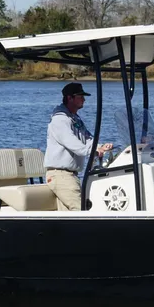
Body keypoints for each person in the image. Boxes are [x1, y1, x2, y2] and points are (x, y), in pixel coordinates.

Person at [44, 82, 113, 211]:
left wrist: (100, 147)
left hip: (70, 176)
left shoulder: (74, 118)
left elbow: (87, 138)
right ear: (69, 98)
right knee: (81, 212)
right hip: (61, 175)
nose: (84, 99)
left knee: (68, 219)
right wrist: (93, 151)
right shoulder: (60, 120)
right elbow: (74, 144)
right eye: (80, 96)